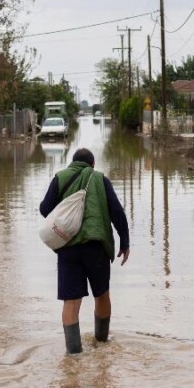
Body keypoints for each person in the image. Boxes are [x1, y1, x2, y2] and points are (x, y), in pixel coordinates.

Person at [39, 147, 130, 354]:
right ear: (92, 164)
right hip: (95, 246)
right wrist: (125, 242)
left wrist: (65, 211)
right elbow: (117, 212)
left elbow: (45, 209)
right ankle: (102, 343)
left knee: (71, 301)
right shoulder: (100, 179)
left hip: (68, 248)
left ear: (72, 163)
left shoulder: (60, 178)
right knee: (102, 294)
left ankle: (73, 355)